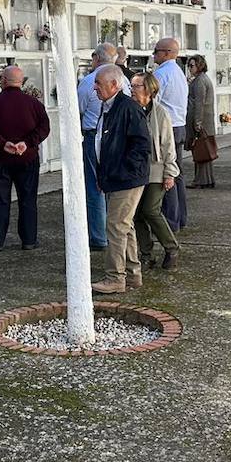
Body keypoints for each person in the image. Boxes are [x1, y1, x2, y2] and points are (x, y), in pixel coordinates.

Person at [91, 66, 152, 294]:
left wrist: (122, 172)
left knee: (116, 226)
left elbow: (142, 145)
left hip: (126, 179)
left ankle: (115, 277)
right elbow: (103, 143)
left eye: (99, 82)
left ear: (114, 85)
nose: (94, 87)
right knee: (125, 227)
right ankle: (132, 274)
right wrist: (104, 175)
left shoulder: (127, 108)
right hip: (116, 177)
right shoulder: (109, 107)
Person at [0, 65, 50, 251]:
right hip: (27, 158)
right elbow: (44, 127)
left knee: (0, 200)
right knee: (28, 199)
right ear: (22, 81)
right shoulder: (34, 104)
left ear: (3, 80)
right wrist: (27, 143)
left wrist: (2, 143)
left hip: (0, 158)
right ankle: (29, 239)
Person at [76, 43, 126, 251]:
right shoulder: (123, 81)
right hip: (117, 137)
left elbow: (77, 108)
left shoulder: (88, 81)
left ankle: (98, 236)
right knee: (114, 186)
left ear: (96, 58)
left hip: (92, 135)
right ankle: (114, 232)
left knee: (94, 187)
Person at [131, 71, 180, 270]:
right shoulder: (131, 110)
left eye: (137, 86)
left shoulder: (160, 113)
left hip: (156, 169)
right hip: (135, 170)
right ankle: (146, 254)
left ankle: (172, 247)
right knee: (137, 214)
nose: (133, 90)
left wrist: (169, 172)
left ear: (149, 89)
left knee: (151, 210)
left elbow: (168, 144)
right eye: (132, 86)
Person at [152, 37, 189, 231]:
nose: (153, 54)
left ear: (167, 53)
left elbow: (151, 100)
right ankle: (181, 217)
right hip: (180, 125)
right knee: (178, 173)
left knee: (168, 175)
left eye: (156, 51)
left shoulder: (162, 73)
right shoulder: (178, 72)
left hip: (167, 128)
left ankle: (171, 221)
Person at [185, 55, 217, 189]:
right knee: (205, 151)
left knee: (200, 151)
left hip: (201, 121)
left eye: (192, 65)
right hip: (207, 121)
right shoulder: (203, 79)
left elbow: (199, 103)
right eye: (189, 66)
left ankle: (200, 180)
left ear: (199, 65)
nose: (189, 68)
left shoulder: (199, 81)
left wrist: (197, 123)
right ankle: (207, 179)